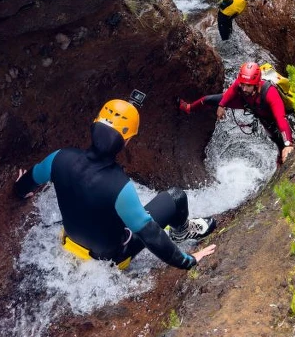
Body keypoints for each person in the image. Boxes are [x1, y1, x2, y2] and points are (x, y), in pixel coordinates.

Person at [13, 98, 216, 270]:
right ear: (126, 141)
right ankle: (181, 232)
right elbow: (151, 235)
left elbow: (26, 183)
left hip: (69, 242)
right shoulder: (119, 185)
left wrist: (20, 189)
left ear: (94, 125)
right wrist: (187, 261)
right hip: (109, 260)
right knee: (176, 197)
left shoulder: (58, 158)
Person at [179, 62, 295, 166]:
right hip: (247, 103)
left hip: (266, 114)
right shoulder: (242, 85)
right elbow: (232, 90)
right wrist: (221, 105)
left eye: (248, 86)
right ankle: (189, 107)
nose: (244, 88)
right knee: (208, 99)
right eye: (242, 84)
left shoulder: (270, 93)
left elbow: (281, 118)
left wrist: (288, 143)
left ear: (257, 84)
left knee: (277, 139)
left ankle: (281, 159)